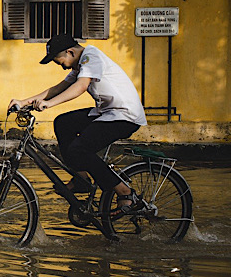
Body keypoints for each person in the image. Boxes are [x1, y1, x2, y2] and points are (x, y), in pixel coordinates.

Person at [8, 34, 148, 215]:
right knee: (63, 123)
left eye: (60, 62)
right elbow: (59, 88)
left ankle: (124, 192)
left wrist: (49, 104)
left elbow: (81, 86)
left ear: (70, 52)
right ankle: (81, 178)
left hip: (124, 116)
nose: (61, 67)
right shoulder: (80, 63)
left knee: (79, 149)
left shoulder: (91, 56)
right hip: (107, 113)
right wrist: (24, 101)